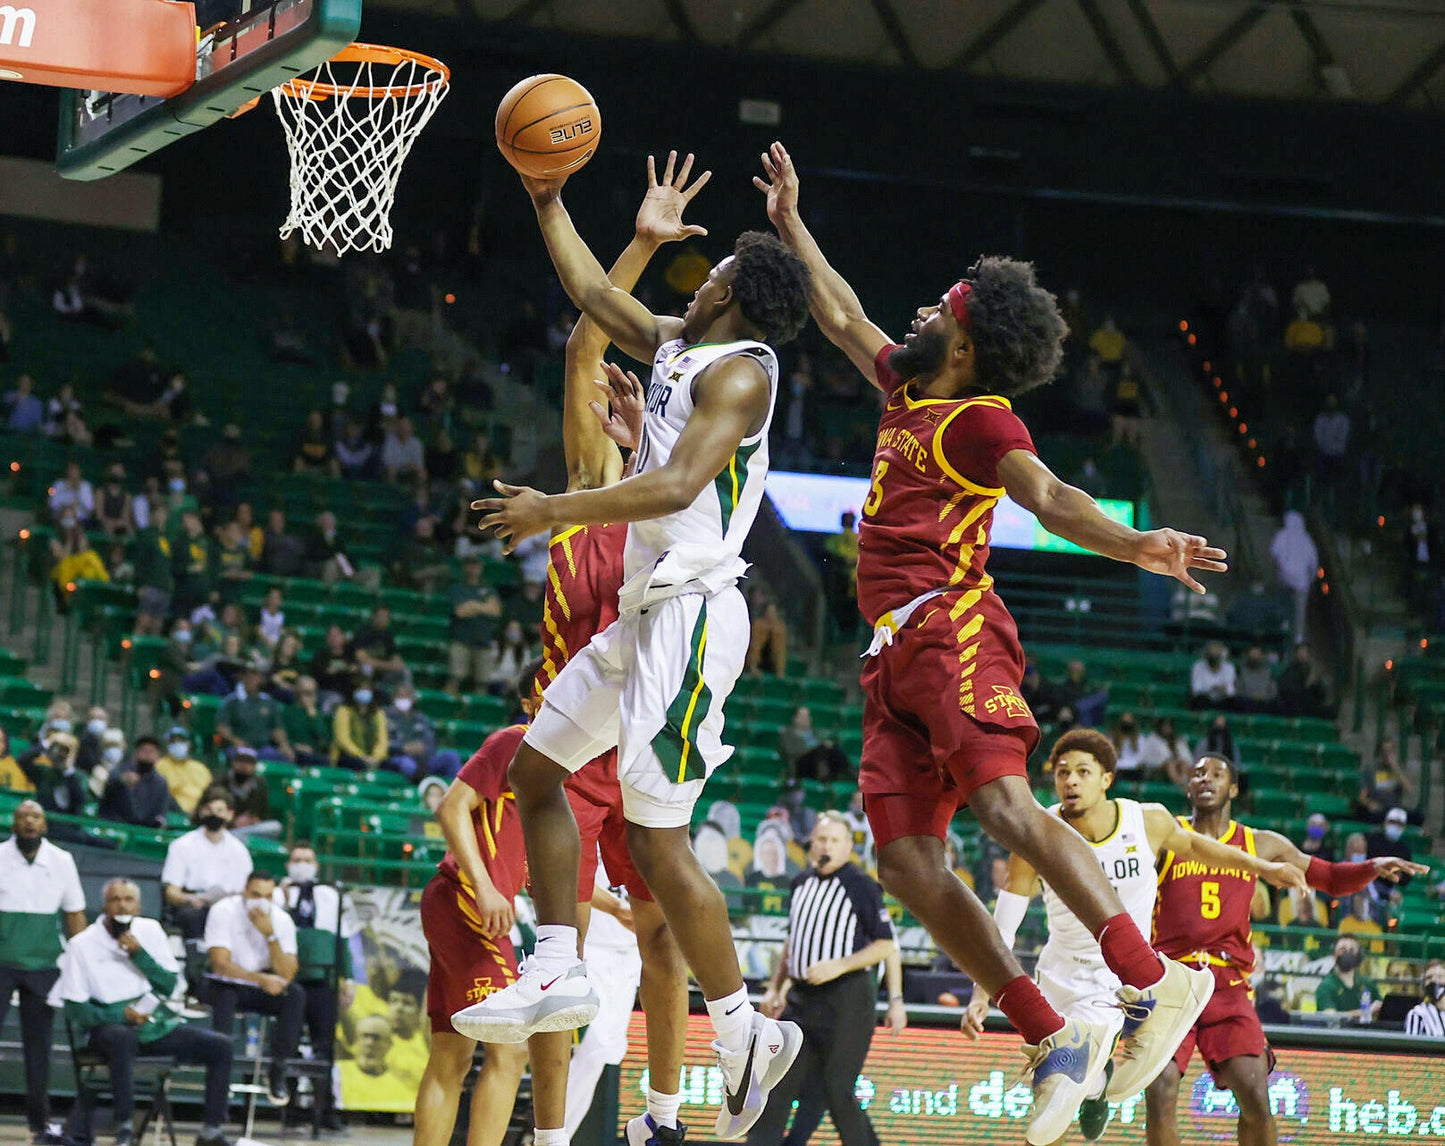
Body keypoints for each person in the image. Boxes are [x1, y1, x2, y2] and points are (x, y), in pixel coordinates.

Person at [756, 139, 1226, 1142]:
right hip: (888, 657)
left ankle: (1150, 979)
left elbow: (1047, 497)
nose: (923, 310)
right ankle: (1049, 1034)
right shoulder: (903, 388)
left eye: (943, 307)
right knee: (905, 864)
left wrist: (1135, 545)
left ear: (965, 346)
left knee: (1006, 807)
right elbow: (838, 312)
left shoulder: (979, 421)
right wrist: (792, 223)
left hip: (952, 626)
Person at [455, 150, 811, 1141]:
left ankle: (743, 1032)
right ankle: (557, 964)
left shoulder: (740, 374)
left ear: (732, 293)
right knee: (535, 769)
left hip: (693, 619)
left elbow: (676, 487)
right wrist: (547, 196)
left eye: (713, 274)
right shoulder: (677, 346)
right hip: (642, 614)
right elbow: (590, 296)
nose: (698, 282)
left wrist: (551, 509)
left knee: (657, 843)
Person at [461, 161, 703, 1146]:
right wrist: (641, 243)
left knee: (660, 932)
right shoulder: (588, 488)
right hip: (569, 739)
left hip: (637, 728)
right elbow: (585, 343)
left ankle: (663, 1116)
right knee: (552, 968)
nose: (620, 400)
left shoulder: (679, 508)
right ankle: (555, 1138)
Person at [963, 733, 1306, 1142]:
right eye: (1062, 773)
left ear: (1106, 779)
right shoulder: (1036, 833)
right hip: (1060, 976)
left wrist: (1263, 867)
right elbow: (1004, 924)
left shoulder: (1146, 821)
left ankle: (1095, 1081)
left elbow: (1198, 847)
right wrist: (980, 995)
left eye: (1083, 772)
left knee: (1057, 1105)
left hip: (1119, 980)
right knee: (1048, 1117)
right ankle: (1097, 1086)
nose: (1071, 781)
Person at [1144, 755, 1425, 1146]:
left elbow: (1327, 876)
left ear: (1234, 788)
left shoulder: (1260, 843)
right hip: (1173, 978)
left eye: (1217, 774)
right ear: (1188, 788)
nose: (1206, 779)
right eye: (1198, 774)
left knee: (1255, 1095)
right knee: (1159, 1090)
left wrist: (1370, 866)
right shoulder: (1166, 834)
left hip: (1227, 983)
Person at [412, 713, 537, 1146]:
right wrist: (484, 886)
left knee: (452, 1054)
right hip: (468, 899)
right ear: (531, 701)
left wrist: (614, 909)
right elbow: (450, 806)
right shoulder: (515, 741)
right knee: (511, 1049)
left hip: (462, 902)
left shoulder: (562, 763)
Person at [748, 812, 906, 1146]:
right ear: (811, 843)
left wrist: (841, 966)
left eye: (834, 840)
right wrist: (777, 986)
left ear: (848, 847)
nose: (826, 846)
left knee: (838, 1089)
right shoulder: (800, 883)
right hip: (801, 999)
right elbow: (794, 939)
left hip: (847, 999)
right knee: (777, 1084)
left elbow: (885, 944)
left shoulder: (861, 886)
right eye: (821, 839)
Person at [52, 877, 234, 1146]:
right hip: (107, 1030)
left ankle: (211, 1131)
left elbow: (169, 984)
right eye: (115, 899)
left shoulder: (151, 930)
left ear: (138, 906)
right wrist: (120, 1016)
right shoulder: (82, 944)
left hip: (152, 1026)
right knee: (122, 1037)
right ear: (104, 906)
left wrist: (140, 954)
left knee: (221, 1045)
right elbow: (75, 1009)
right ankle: (124, 1125)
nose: (122, 906)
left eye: (129, 900)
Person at [1, 801, 86, 1145]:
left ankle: (39, 1123)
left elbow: (75, 914)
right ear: (13, 823)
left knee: (39, 1048)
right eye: (23, 816)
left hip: (45, 964)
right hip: (2, 962)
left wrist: (83, 961)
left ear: (45, 825)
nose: (29, 822)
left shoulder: (62, 861)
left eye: (35, 816)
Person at [202, 871, 304, 1106]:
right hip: (225, 983)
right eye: (256, 895)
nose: (261, 902)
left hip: (260, 986)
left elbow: (287, 973)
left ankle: (278, 1068)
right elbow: (220, 965)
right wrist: (259, 979)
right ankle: (219, 1074)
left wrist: (270, 935)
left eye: (268, 896)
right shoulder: (224, 911)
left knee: (295, 995)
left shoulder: (281, 920)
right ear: (244, 892)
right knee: (225, 995)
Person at [279, 841, 350, 1131]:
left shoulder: (329, 895)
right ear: (288, 865)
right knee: (289, 1042)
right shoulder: (277, 894)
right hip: (289, 980)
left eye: (307, 859)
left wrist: (347, 979)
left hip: (323, 979)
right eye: (296, 859)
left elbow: (342, 938)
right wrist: (285, 901)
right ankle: (290, 1106)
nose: (302, 864)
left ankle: (326, 1110)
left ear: (317, 865)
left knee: (325, 1045)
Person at [161, 788, 253, 940]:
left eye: (219, 810)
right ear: (201, 812)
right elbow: (172, 892)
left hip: (228, 905)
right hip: (194, 905)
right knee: (191, 916)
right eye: (208, 810)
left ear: (230, 814)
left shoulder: (239, 850)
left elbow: (245, 890)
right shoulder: (182, 845)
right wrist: (191, 899)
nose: (213, 815)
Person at [446, 557, 502, 694]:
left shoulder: (489, 589)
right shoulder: (457, 588)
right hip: (461, 641)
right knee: (455, 679)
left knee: (482, 685)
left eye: (476, 564)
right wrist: (484, 607)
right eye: (470, 564)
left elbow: (495, 611)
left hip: (483, 642)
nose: (473, 568)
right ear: (464, 567)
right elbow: (460, 612)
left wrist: (472, 605)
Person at [98, 735, 173, 827]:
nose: (147, 755)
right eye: (144, 750)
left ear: (158, 756)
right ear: (136, 753)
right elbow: (106, 794)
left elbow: (161, 811)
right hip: (115, 824)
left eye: (152, 752)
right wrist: (121, 781)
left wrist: (159, 821)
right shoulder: (119, 772)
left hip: (144, 829)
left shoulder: (160, 782)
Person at [1269, 512, 1317, 642]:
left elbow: (1274, 553)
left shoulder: (1282, 536)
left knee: (1282, 605)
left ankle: (1282, 627)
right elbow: (1313, 562)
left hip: (1284, 577)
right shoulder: (1306, 539)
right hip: (1302, 582)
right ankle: (1298, 636)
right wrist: (1311, 579)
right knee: (1300, 610)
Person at [1314, 935, 1381, 1019]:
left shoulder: (1368, 984)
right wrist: (1366, 1012)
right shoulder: (1326, 986)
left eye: (1352, 950)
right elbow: (1330, 1017)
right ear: (1334, 954)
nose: (1347, 953)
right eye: (1342, 949)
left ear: (1358, 955)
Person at [156, 726, 212, 816]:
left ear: (189, 744)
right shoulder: (160, 765)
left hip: (199, 814)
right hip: (171, 813)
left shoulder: (201, 768)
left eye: (181, 741)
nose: (177, 744)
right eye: (173, 741)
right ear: (167, 744)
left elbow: (209, 793)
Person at [332, 684, 388, 771]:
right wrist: (361, 756)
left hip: (373, 759)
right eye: (361, 689)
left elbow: (383, 741)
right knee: (360, 766)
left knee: (391, 767)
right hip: (349, 756)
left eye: (367, 689)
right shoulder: (343, 711)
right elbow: (343, 740)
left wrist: (375, 757)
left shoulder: (378, 713)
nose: (364, 692)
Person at [1404, 960, 1445, 1038]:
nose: (1434, 980)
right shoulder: (1418, 1013)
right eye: (1429, 977)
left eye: (1439, 976)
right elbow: (1412, 1043)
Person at [1189, 641, 1237, 709]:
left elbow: (1231, 690)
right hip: (1204, 699)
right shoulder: (1198, 666)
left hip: (1223, 699)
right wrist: (1213, 689)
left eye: (1217, 654)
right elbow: (1196, 689)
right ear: (1207, 655)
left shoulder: (1229, 667)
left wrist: (1224, 690)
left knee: (1236, 701)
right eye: (1212, 654)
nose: (1214, 657)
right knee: (1199, 700)